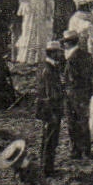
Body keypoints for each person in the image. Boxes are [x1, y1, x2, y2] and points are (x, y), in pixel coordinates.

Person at [62, 30, 93, 160]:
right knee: (83, 121)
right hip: (85, 93)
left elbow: (71, 78)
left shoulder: (71, 58)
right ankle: (86, 150)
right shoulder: (87, 55)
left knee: (72, 122)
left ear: (68, 43)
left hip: (73, 93)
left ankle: (75, 149)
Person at [35, 42, 67, 177]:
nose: (61, 54)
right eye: (59, 52)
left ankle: (45, 166)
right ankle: (47, 168)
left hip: (46, 107)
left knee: (47, 137)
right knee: (51, 138)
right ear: (53, 53)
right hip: (51, 108)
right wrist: (63, 92)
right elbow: (52, 93)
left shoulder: (44, 66)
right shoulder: (49, 70)